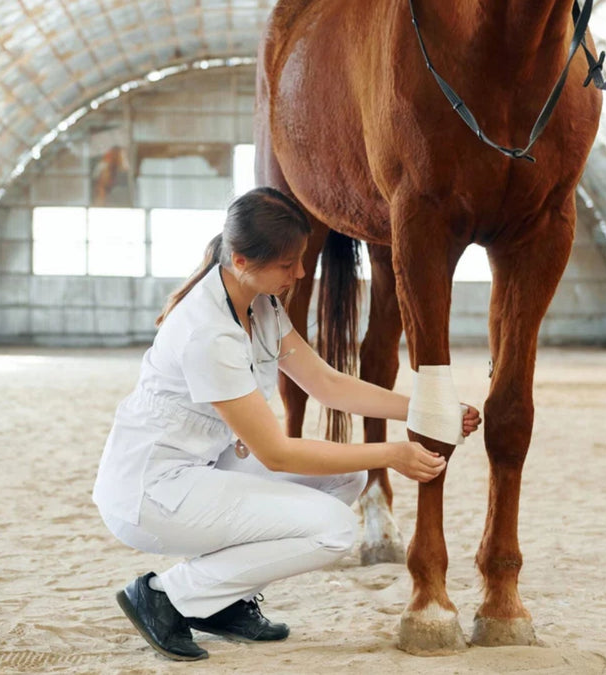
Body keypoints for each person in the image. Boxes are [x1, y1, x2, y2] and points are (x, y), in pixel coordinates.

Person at [92, 187, 481, 661]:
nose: (300, 272)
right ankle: (164, 596)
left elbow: (328, 384)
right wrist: (392, 454)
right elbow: (276, 452)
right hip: (151, 495)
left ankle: (220, 603)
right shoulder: (207, 333)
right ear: (240, 259)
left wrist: (426, 410)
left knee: (346, 477)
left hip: (199, 469)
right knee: (334, 529)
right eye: (287, 264)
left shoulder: (260, 303)